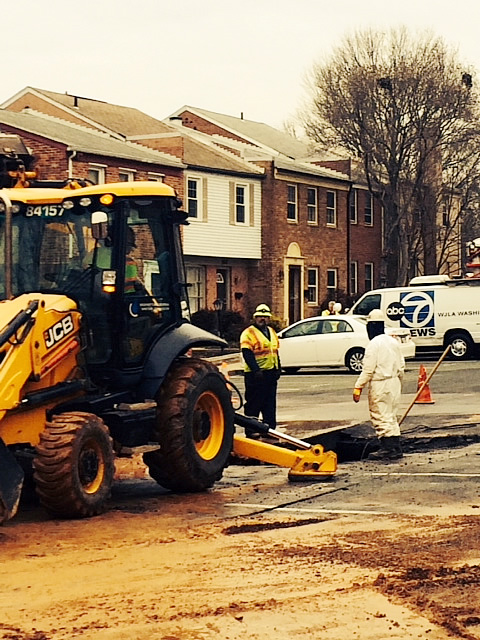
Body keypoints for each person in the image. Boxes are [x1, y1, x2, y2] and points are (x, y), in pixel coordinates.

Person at [352, 308, 405, 460]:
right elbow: (401, 365)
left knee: (381, 415)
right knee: (391, 415)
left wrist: (358, 386)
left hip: (380, 383)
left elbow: (368, 370)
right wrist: (399, 382)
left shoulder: (374, 344)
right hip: (394, 382)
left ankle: (388, 449)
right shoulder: (393, 342)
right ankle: (395, 446)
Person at [240, 303, 281, 433]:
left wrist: (278, 367)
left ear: (269, 318)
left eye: (265, 317)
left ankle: (269, 430)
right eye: (260, 317)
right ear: (255, 318)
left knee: (269, 404)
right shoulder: (248, 333)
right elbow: (247, 353)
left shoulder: (272, 332)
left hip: (270, 374)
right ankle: (251, 431)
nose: (262, 319)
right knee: (254, 404)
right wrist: (256, 370)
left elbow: (275, 351)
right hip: (255, 375)